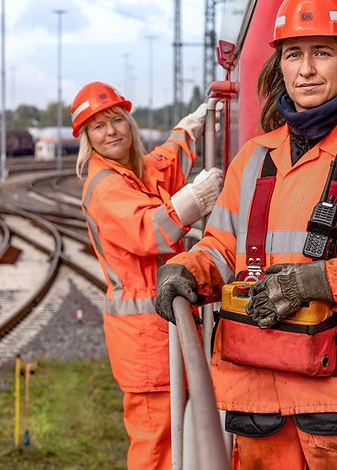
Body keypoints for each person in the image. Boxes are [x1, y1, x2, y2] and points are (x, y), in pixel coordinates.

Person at [155, 0, 337, 469]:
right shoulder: (254, 159)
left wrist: (318, 280)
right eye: (293, 55)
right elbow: (222, 249)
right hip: (258, 400)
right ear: (279, 65)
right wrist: (186, 270)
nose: (305, 69)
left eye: (322, 53)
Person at [71, 81, 223, 470]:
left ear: (130, 123)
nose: (112, 132)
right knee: (157, 449)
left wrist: (189, 128)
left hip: (156, 331)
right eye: (99, 127)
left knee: (175, 440)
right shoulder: (105, 186)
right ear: (87, 138)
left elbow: (165, 162)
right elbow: (150, 230)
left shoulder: (132, 171)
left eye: (117, 120)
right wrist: (195, 199)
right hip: (143, 342)